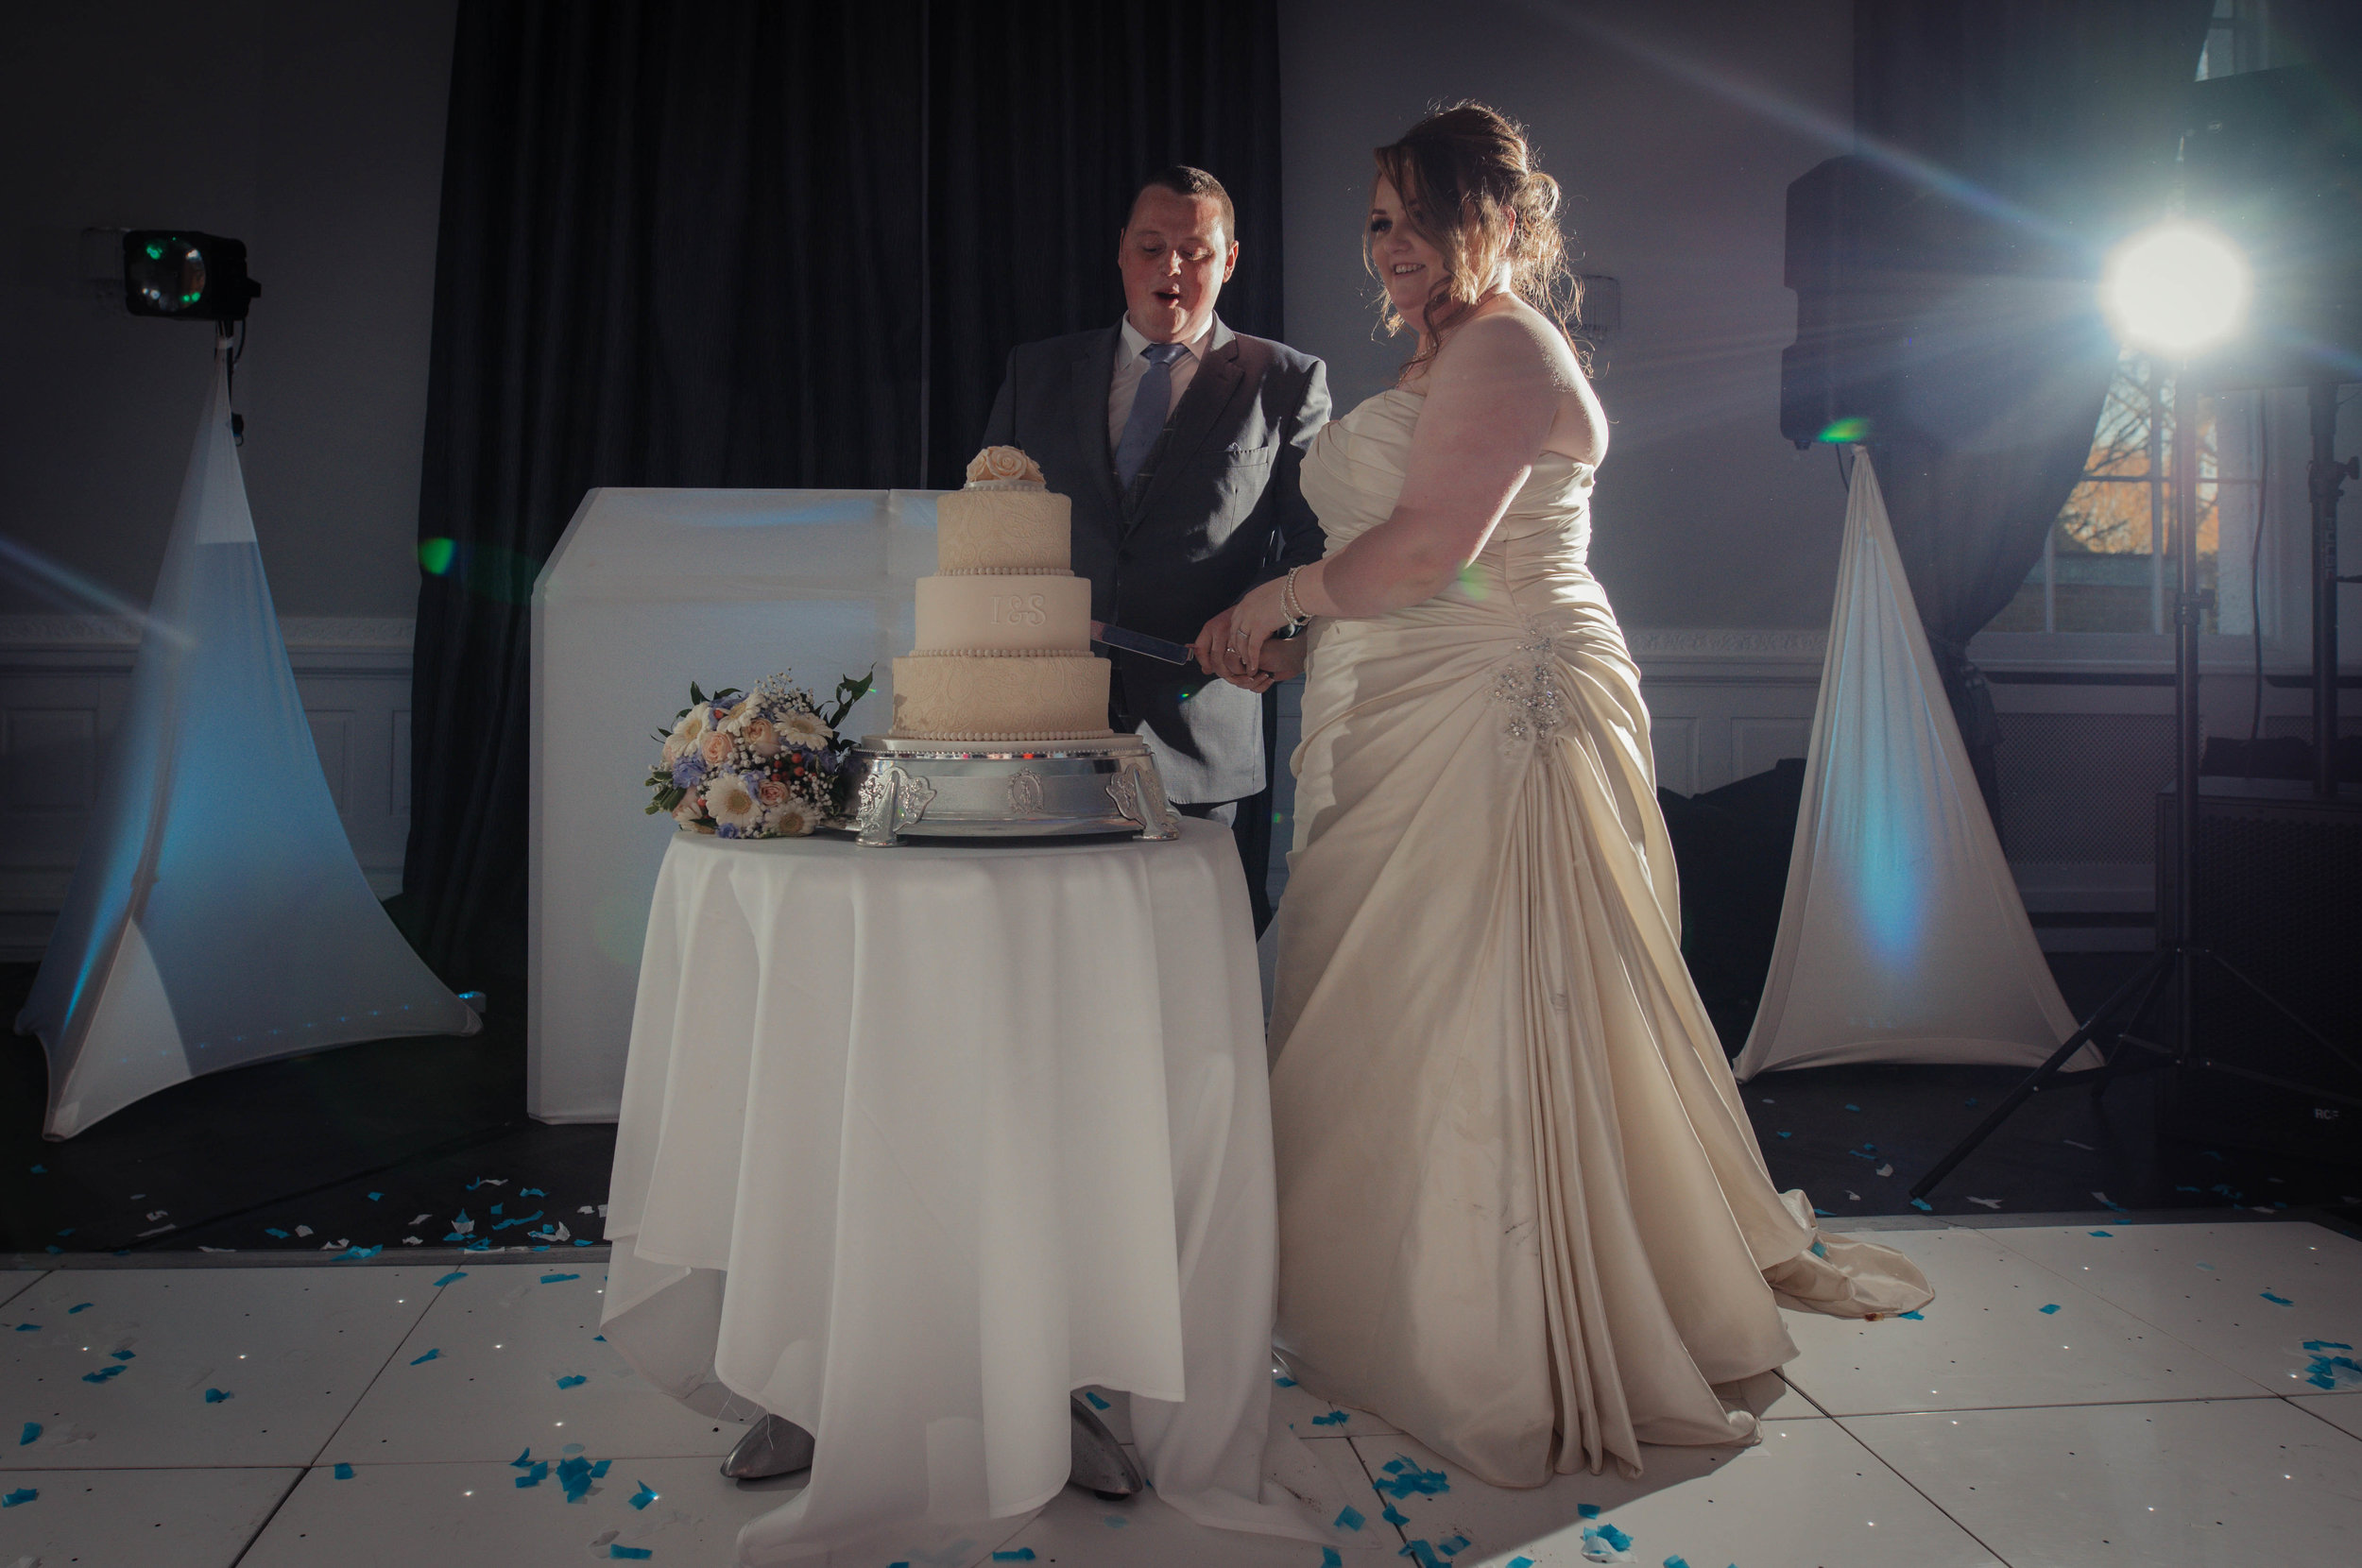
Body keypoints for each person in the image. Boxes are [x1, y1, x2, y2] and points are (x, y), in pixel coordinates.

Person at [1196, 105, 1932, 1487]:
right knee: (1390, 985)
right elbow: (1408, 571)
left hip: (1495, 712)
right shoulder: (1447, 354)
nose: (1392, 245)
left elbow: (1430, 552)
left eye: (1419, 216)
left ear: (1498, 221)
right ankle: (1389, 1278)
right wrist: (1301, 641)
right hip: (1408, 696)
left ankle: (1497, 1318)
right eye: (1378, 221)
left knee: (1476, 987)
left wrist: (1278, 594)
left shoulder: (1509, 346)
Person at [983, 167, 1328, 927]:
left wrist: (1271, 630)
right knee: (1051, 961)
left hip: (1200, 739)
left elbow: (1314, 545)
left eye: (1195, 252)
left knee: (1201, 972)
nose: (1171, 269)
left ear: (1230, 261)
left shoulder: (1287, 381)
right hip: (1045, 738)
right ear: (1121, 253)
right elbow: (989, 535)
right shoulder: (1035, 372)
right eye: (1151, 246)